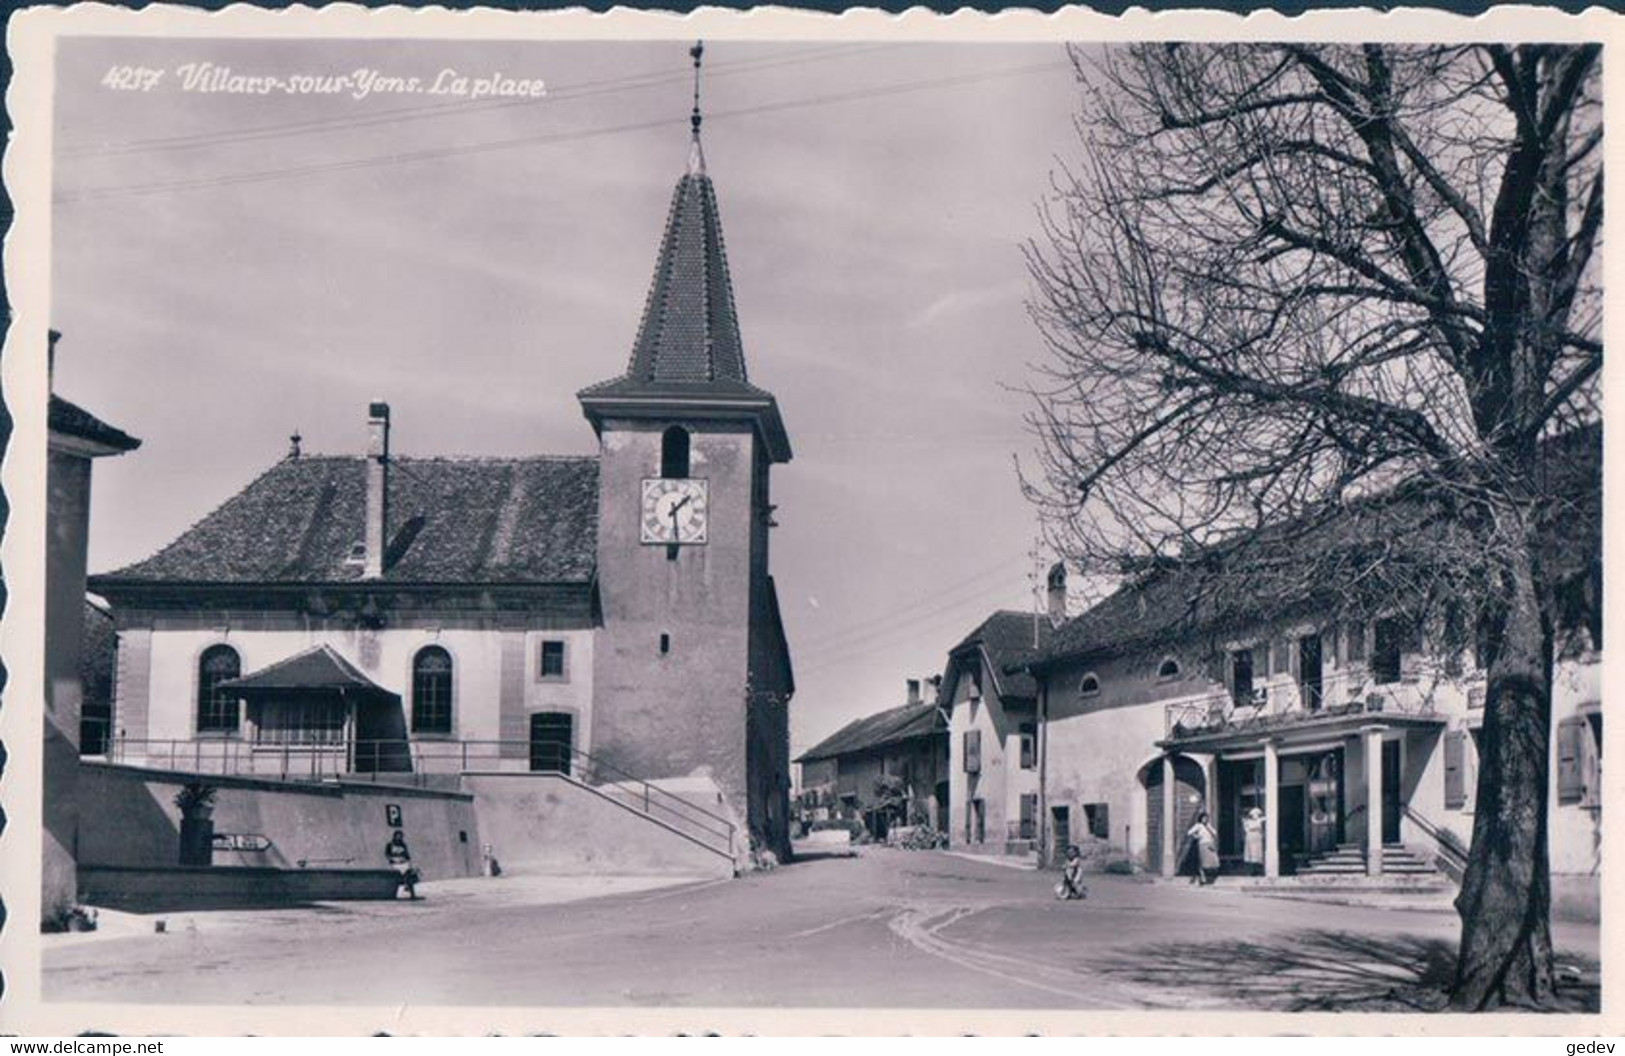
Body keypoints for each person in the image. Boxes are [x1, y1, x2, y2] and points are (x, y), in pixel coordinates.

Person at [385, 829, 419, 900]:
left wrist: (408, 862)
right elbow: (387, 855)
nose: (399, 838)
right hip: (395, 863)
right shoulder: (390, 845)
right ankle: (406, 885)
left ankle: (410, 890)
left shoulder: (403, 845)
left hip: (403, 862)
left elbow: (407, 856)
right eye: (398, 836)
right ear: (394, 836)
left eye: (400, 836)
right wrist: (392, 859)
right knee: (401, 872)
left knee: (408, 871)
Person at [1187, 811, 1219, 886]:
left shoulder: (1208, 825)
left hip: (1210, 844)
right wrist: (1196, 836)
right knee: (1204, 862)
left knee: (1214, 861)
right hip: (1203, 844)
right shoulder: (1198, 826)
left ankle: (1209, 878)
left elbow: (1215, 833)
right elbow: (1189, 832)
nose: (1205, 819)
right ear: (1201, 818)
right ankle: (1203, 878)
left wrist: (1209, 827)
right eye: (1203, 818)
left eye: (1206, 818)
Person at [1243, 806, 1266, 876]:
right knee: (1251, 853)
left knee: (1257, 853)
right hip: (1251, 838)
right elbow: (1246, 829)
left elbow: (1266, 819)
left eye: (1256, 814)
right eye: (1254, 814)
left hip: (1257, 838)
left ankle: (1258, 869)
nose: (1255, 816)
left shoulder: (1259, 820)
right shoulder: (1247, 821)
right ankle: (1251, 870)